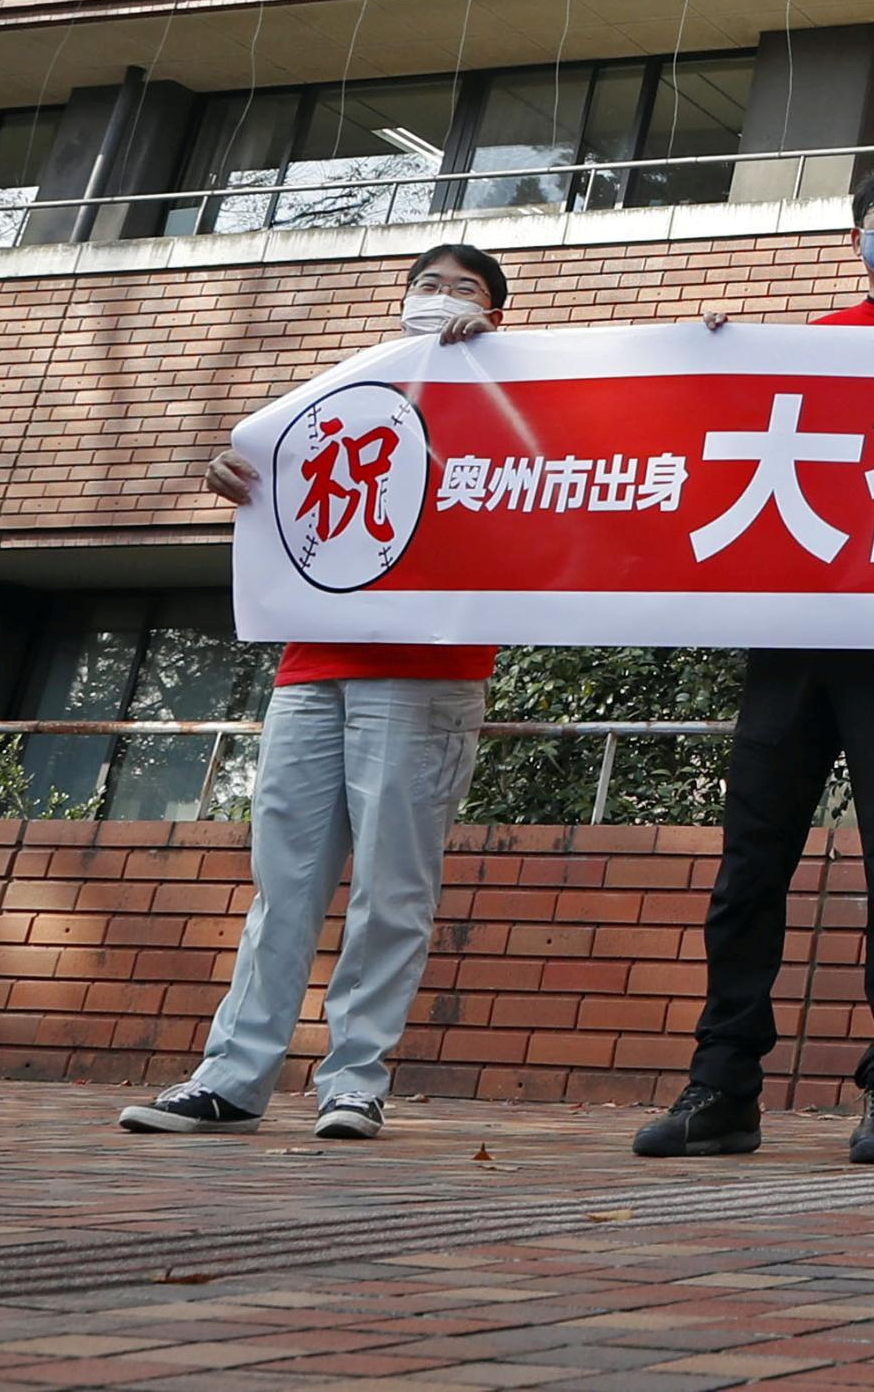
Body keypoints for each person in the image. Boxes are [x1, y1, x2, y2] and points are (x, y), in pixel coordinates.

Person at [633, 160, 874, 1165]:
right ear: (855, 235)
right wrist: (710, 352)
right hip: (791, 636)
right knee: (749, 868)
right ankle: (723, 1084)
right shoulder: (807, 345)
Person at [120, 244, 511, 1141]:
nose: (439, 300)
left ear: (497, 313)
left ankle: (354, 1081)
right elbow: (280, 474)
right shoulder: (346, 394)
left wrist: (490, 360)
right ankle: (233, 1077)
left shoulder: (515, 403)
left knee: (390, 887)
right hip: (310, 668)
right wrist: (238, 470)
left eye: (465, 289)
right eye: (426, 285)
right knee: (281, 886)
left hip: (427, 677)